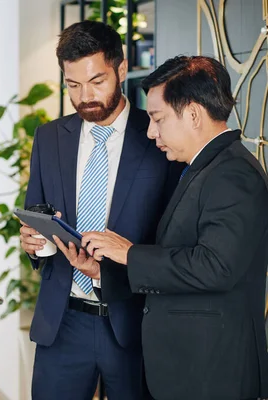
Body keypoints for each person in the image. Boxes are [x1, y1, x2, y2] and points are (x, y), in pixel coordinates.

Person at [81, 55, 268, 400]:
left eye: (157, 118)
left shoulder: (233, 174)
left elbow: (216, 267)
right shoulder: (201, 167)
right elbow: (181, 261)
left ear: (193, 115)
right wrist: (107, 269)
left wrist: (131, 254)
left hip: (212, 373)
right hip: (190, 369)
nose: (151, 132)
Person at [19, 21, 182, 399]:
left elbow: (172, 238)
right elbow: (37, 214)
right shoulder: (48, 138)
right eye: (73, 85)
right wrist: (36, 243)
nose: (85, 96)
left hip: (133, 324)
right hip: (62, 324)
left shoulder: (159, 137)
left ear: (121, 69)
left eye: (96, 81)